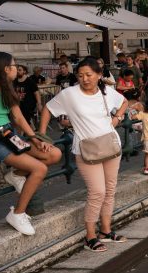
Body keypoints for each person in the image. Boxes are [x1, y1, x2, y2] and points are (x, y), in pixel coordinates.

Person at [39, 58, 129, 252]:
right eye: (80, 76)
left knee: (110, 189)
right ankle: (90, 236)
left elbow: (124, 101)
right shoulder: (69, 94)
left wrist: (117, 118)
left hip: (111, 145)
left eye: (89, 75)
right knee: (97, 192)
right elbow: (47, 109)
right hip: (85, 149)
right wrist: (43, 136)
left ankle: (105, 230)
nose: (85, 79)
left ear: (98, 74)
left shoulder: (105, 91)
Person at [0, 52, 62, 235]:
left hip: (9, 135)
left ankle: (16, 175)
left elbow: (19, 118)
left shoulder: (7, 88)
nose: (16, 68)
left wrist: (35, 139)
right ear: (5, 69)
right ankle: (18, 213)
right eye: (14, 65)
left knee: (54, 154)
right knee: (39, 169)